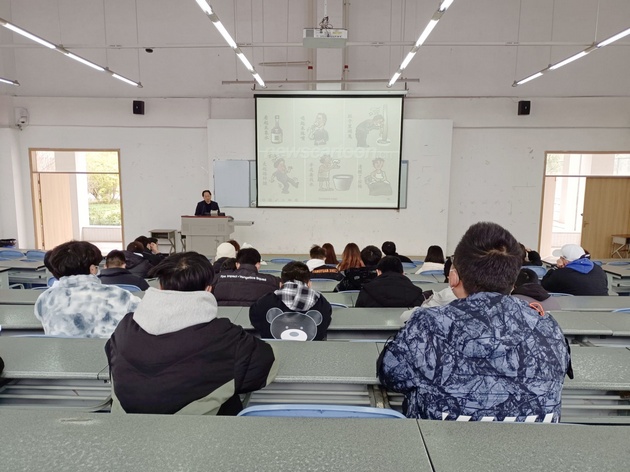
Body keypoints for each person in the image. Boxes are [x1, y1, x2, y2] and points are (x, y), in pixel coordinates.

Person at [379, 222, 570, 422]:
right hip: (533, 442)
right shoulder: (549, 327)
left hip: (436, 441)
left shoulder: (426, 325)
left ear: (454, 277)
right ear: (513, 282)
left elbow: (391, 376)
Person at [105, 252, 277, 415]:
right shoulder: (227, 337)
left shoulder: (124, 328)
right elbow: (265, 365)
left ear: (160, 286)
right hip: (202, 432)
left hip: (126, 430)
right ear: (208, 290)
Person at [34, 241, 140, 337]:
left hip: (59, 352)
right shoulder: (121, 295)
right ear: (92, 269)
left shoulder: (45, 298)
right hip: (107, 352)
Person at [249, 261, 332, 341]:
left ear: (281, 284)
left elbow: (255, 320)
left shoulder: (265, 302)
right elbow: (324, 324)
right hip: (311, 350)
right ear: (309, 284)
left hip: (273, 350)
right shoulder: (322, 303)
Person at [211, 247, 280, 306]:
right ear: (258, 265)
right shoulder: (274, 281)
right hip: (254, 317)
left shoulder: (216, 279)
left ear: (237, 264)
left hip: (223, 316)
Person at [355, 256, 425, 308]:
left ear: (378, 272)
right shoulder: (416, 293)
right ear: (403, 273)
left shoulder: (366, 291)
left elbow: (358, 316)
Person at [541, 244, 608, 296]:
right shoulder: (598, 269)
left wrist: (556, 267)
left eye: (561, 258)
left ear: (564, 260)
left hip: (574, 308)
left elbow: (545, 284)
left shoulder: (561, 274)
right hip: (604, 307)